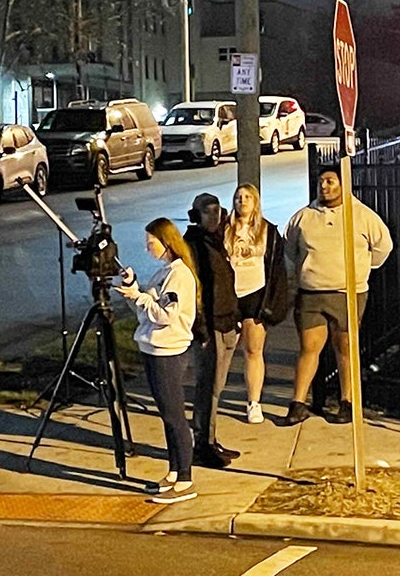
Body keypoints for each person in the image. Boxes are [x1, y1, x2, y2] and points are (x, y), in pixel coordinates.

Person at [285, 166, 393, 425]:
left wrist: (360, 271)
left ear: (343, 185)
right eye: (321, 181)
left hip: (346, 293)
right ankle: (298, 403)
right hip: (311, 293)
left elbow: (383, 247)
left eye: (331, 181)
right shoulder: (304, 217)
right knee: (309, 348)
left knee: (345, 348)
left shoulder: (363, 216)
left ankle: (348, 401)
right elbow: (290, 249)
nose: (324, 186)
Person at [115, 218, 200, 504]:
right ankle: (174, 472)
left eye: (150, 241)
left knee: (174, 416)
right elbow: (144, 311)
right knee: (167, 416)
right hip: (153, 349)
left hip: (168, 353)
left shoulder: (179, 276)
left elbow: (165, 315)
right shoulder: (164, 273)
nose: (146, 246)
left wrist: (140, 297)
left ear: (166, 242)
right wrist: (133, 288)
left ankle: (185, 477)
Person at [183, 193, 241, 469]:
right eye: (208, 212)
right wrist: (201, 328)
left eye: (218, 212)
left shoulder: (217, 242)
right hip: (210, 326)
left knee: (216, 387)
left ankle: (211, 438)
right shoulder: (193, 246)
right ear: (196, 215)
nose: (214, 217)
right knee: (207, 388)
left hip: (228, 321)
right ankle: (201, 443)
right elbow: (194, 291)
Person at [225, 183, 290, 426]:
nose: (242, 201)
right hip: (229, 298)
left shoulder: (267, 231)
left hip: (255, 296)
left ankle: (253, 402)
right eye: (238, 197)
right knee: (223, 352)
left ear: (256, 202)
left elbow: (277, 270)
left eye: (247, 197)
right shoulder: (225, 229)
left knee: (253, 351)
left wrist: (273, 304)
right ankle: (211, 397)